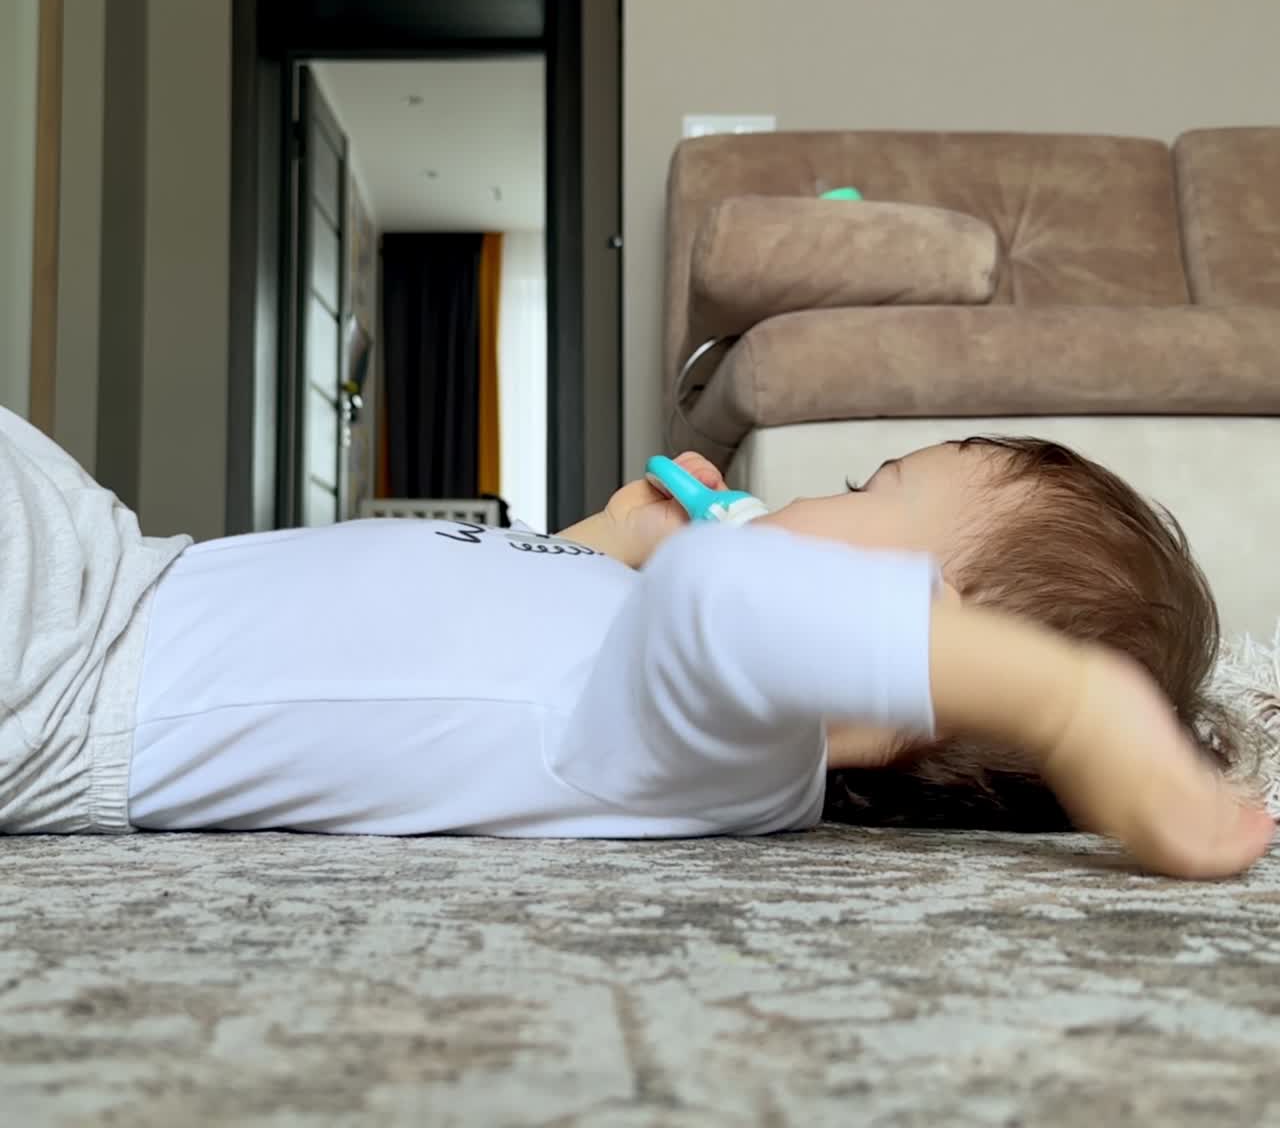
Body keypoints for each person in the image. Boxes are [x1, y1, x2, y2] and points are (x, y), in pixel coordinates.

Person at [0, 405, 1271, 877]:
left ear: (895, 668)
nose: (809, 496)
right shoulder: (654, 674)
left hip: (61, 674)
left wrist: (1071, 703)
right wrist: (601, 537)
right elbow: (470, 653)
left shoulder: (734, 753)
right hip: (119, 564)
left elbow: (727, 596)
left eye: (866, 486)